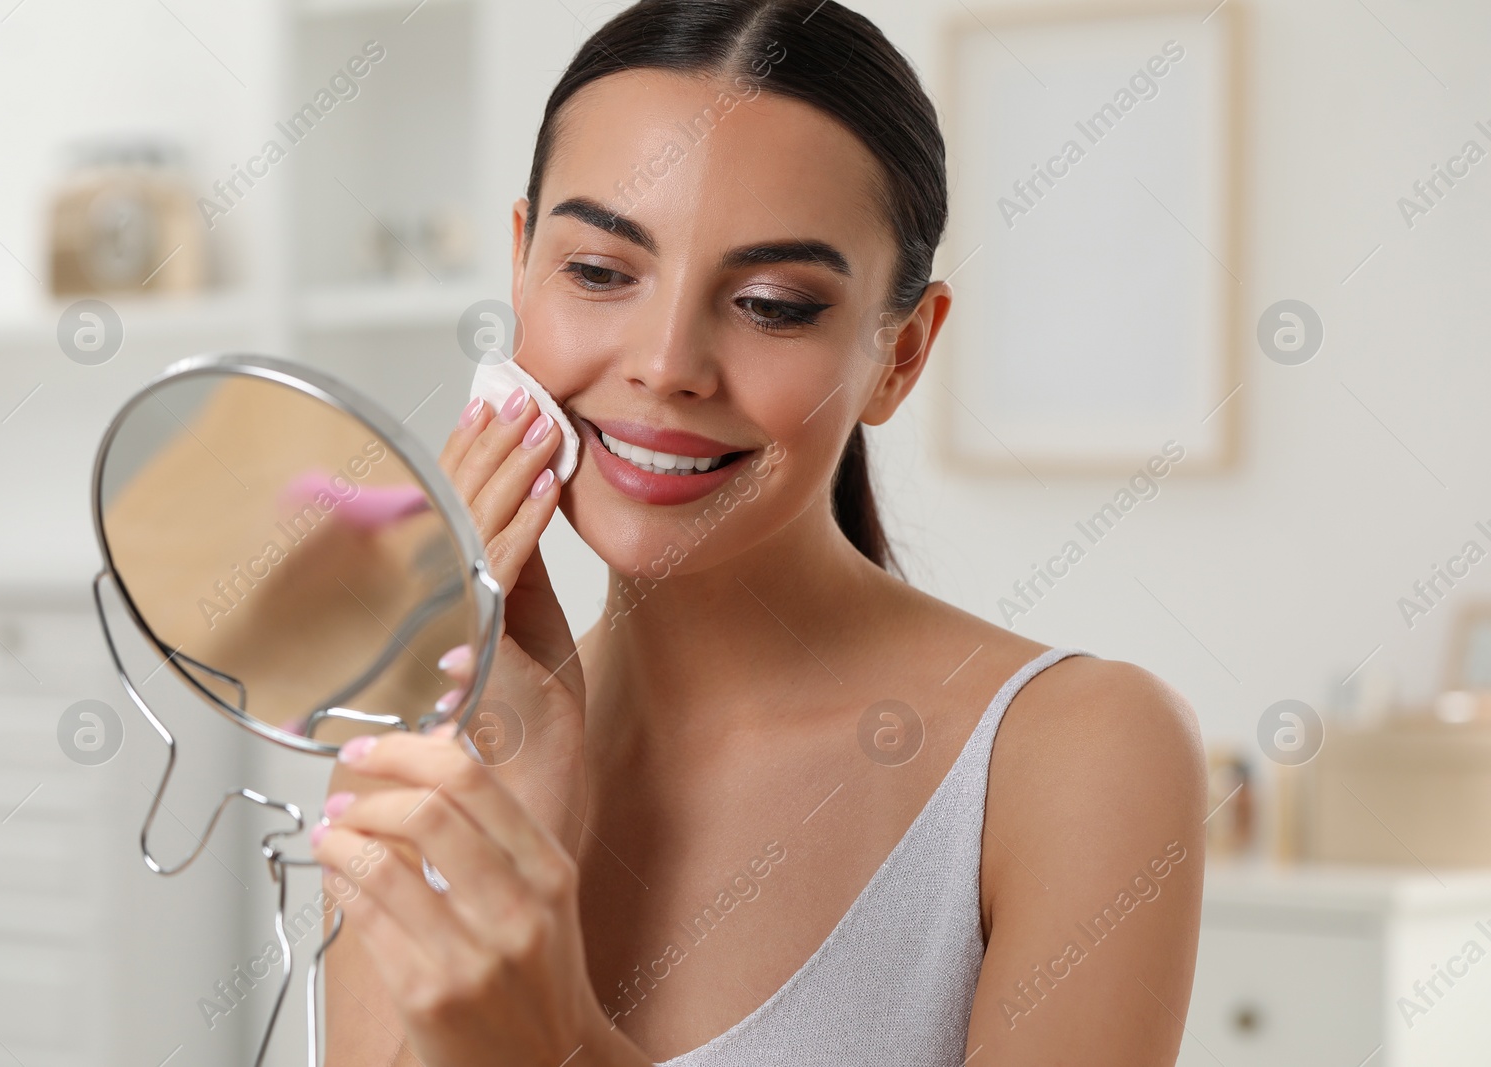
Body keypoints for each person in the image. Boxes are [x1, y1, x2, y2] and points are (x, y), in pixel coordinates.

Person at [310, 2, 1207, 1064]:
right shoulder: (415, 750)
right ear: (519, 264)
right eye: (598, 271)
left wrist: (553, 1041)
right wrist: (512, 785)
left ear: (900, 355)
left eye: (774, 303)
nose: (665, 361)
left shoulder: (1078, 753)